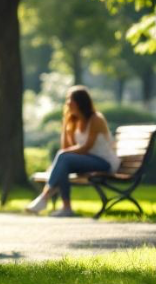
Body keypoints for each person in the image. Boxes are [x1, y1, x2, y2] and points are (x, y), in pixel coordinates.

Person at [26, 85, 120, 217]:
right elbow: (66, 147)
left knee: (64, 158)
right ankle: (66, 208)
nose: (68, 103)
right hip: (87, 161)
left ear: (81, 102)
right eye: (68, 100)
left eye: (71, 100)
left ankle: (45, 196)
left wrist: (63, 154)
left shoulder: (95, 119)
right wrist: (66, 124)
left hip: (104, 162)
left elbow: (86, 147)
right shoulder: (75, 121)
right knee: (64, 163)